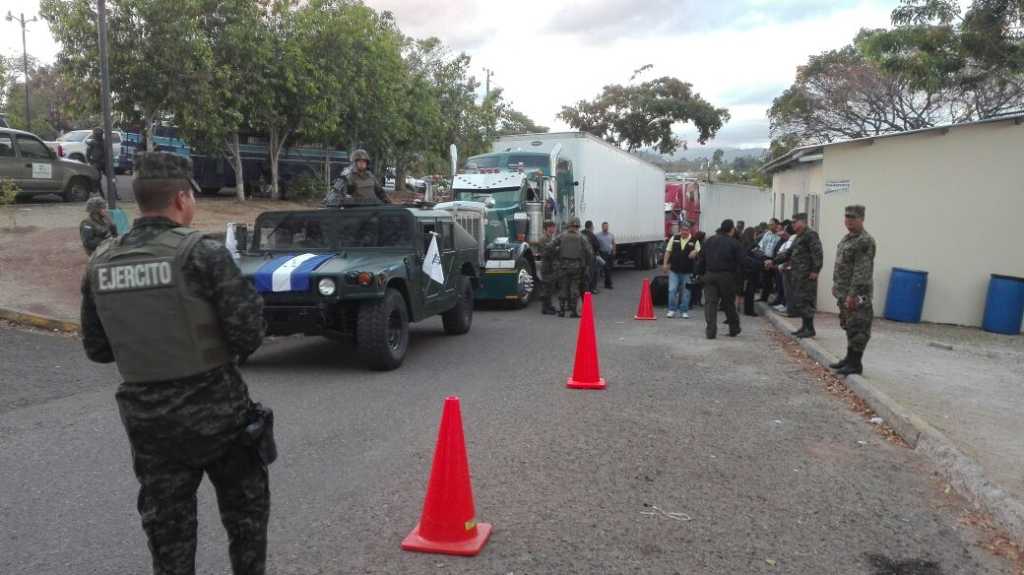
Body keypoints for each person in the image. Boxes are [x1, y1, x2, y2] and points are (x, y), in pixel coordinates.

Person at [80, 152, 273, 575]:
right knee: (246, 519)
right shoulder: (202, 254)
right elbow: (249, 334)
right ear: (183, 197)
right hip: (220, 418)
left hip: (150, 425)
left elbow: (97, 348)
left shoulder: (101, 261)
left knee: (169, 535)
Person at [829, 205, 876, 376]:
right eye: (847, 217)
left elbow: (861, 271)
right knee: (849, 325)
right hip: (844, 291)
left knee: (859, 326)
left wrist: (853, 294)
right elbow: (842, 265)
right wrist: (836, 285)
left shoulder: (864, 241)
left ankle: (856, 363)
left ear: (861, 219)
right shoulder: (848, 238)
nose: (849, 220)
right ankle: (849, 359)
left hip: (857, 294)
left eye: (853, 217)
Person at [767, 212, 823, 337]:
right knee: (800, 301)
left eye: (794, 222)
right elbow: (788, 253)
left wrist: (815, 271)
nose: (792, 224)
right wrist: (774, 261)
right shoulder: (798, 236)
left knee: (806, 301)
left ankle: (810, 329)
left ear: (802, 222)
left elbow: (817, 254)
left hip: (807, 275)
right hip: (797, 274)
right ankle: (804, 327)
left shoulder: (811, 235)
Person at [700, 219, 744, 339]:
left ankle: (711, 332)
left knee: (710, 304)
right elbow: (741, 261)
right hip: (727, 277)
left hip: (709, 275)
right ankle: (734, 328)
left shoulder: (708, 241)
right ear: (731, 229)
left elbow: (701, 259)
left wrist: (699, 275)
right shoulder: (734, 243)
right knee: (728, 303)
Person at [551, 217, 592, 318]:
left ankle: (561, 311)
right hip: (576, 267)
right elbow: (589, 252)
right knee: (574, 288)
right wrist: (587, 265)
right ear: (578, 226)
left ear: (569, 225)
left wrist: (555, 258)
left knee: (563, 288)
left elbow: (550, 246)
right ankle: (574, 312)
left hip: (563, 266)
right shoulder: (582, 237)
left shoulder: (561, 236)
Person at [662, 221, 700, 318]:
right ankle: (671, 310)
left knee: (686, 292)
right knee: (672, 290)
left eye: (686, 230)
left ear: (689, 230)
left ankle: (684, 311)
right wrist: (665, 264)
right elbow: (668, 252)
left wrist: (695, 252)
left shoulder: (695, 241)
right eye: (683, 230)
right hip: (674, 270)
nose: (684, 232)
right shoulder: (674, 238)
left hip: (688, 272)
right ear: (680, 230)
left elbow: (700, 253)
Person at [325, 149, 389, 206]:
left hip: (373, 207)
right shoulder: (348, 176)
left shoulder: (370, 175)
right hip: (357, 209)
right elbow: (335, 194)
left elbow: (380, 192)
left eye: (364, 161)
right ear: (354, 162)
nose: (362, 163)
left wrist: (387, 201)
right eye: (359, 161)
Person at [537, 220, 559, 315]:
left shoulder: (550, 238)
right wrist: (556, 249)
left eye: (554, 227)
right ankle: (545, 308)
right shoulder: (544, 239)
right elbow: (546, 252)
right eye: (552, 227)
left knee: (550, 287)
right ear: (548, 228)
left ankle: (549, 306)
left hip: (551, 265)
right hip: (547, 265)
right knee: (546, 287)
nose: (554, 229)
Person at [757, 218, 782, 302]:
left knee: (778, 280)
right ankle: (764, 298)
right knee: (766, 279)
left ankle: (779, 299)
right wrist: (763, 258)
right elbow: (761, 246)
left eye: (772, 224)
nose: (770, 226)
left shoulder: (780, 234)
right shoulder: (767, 234)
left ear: (777, 225)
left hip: (776, 259)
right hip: (766, 258)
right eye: (769, 224)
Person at [582, 220, 601, 294]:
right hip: (590, 257)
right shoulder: (591, 235)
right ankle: (592, 288)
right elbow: (597, 245)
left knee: (583, 274)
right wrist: (595, 252)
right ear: (591, 227)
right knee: (593, 273)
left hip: (581, 257)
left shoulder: (580, 233)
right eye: (593, 227)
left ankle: (584, 289)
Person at [689, 231, 707, 307]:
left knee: (694, 285)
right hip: (698, 267)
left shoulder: (693, 243)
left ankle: (693, 301)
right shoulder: (701, 245)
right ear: (702, 238)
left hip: (693, 267)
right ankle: (697, 301)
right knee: (699, 285)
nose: (705, 238)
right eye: (704, 237)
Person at [596, 221, 615, 289]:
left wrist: (614, 251)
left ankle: (606, 284)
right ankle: (609, 284)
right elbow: (596, 244)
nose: (606, 227)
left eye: (607, 226)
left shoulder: (611, 235)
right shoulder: (598, 235)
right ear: (602, 227)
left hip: (610, 253)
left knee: (609, 269)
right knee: (607, 268)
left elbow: (613, 243)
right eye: (604, 226)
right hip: (603, 254)